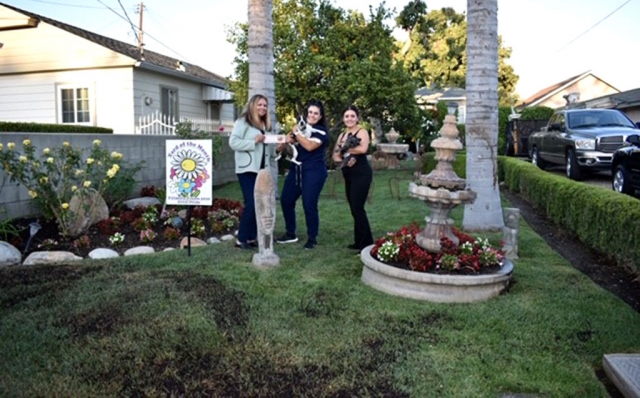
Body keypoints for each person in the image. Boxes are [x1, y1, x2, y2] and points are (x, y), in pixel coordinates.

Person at [276, 100, 329, 250]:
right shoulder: (299, 129)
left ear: (320, 116)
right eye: (310, 112)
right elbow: (283, 149)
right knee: (286, 199)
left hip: (314, 171)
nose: (312, 115)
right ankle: (290, 233)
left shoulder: (321, 132)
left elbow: (309, 146)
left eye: (316, 113)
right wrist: (284, 142)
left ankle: (312, 238)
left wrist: (296, 133)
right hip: (296, 170)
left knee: (309, 204)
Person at [229, 94, 275, 250]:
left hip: (262, 170)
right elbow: (233, 142)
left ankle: (251, 237)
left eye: (264, 105)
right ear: (253, 105)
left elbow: (268, 148)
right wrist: (253, 141)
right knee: (251, 203)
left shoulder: (265, 124)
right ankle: (241, 238)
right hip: (247, 169)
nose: (262, 108)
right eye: (259, 105)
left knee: (259, 203)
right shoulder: (243, 122)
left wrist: (280, 145)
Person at [332, 105, 373, 251]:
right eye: (346, 116)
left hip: (361, 173)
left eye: (352, 116)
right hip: (348, 172)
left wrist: (343, 149)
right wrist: (342, 159)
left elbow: (362, 149)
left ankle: (367, 244)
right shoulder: (342, 136)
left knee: (357, 207)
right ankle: (358, 241)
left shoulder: (362, 132)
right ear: (343, 119)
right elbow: (335, 155)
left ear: (357, 118)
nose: (349, 119)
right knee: (353, 208)